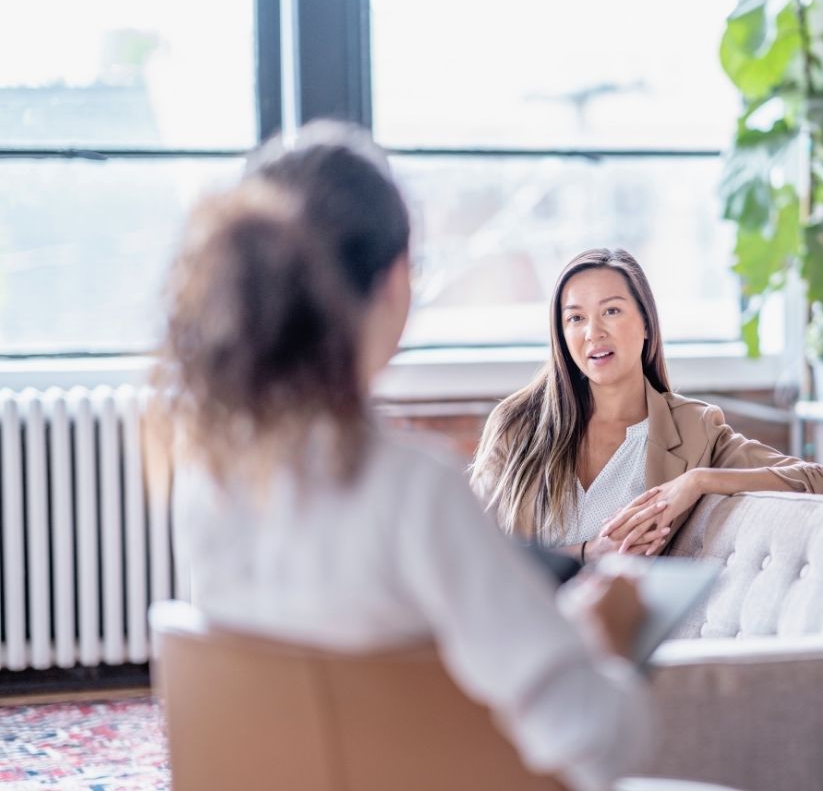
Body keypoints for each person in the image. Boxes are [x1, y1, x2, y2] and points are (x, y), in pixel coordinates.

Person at [154, 122, 651, 791]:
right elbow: (595, 741)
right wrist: (601, 641)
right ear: (395, 281)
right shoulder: (414, 489)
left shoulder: (207, 476)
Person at [471, 248, 823, 560]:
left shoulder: (693, 428)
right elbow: (470, 551)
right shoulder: (517, 424)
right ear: (562, 334)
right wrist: (587, 553)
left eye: (612, 311)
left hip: (631, 638)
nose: (593, 332)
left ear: (646, 323)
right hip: (525, 631)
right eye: (576, 318)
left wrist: (699, 480)